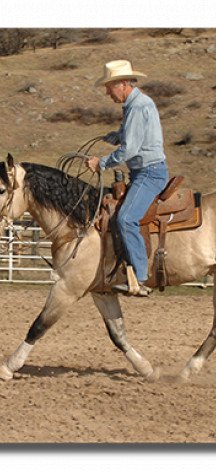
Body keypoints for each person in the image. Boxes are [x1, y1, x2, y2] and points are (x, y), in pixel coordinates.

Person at [86, 60, 169, 297]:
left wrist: (101, 163)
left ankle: (140, 277)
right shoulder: (137, 105)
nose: (107, 92)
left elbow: (130, 149)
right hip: (145, 171)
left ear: (122, 84)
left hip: (149, 173)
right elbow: (130, 136)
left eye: (109, 87)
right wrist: (113, 136)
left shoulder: (137, 107)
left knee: (125, 218)